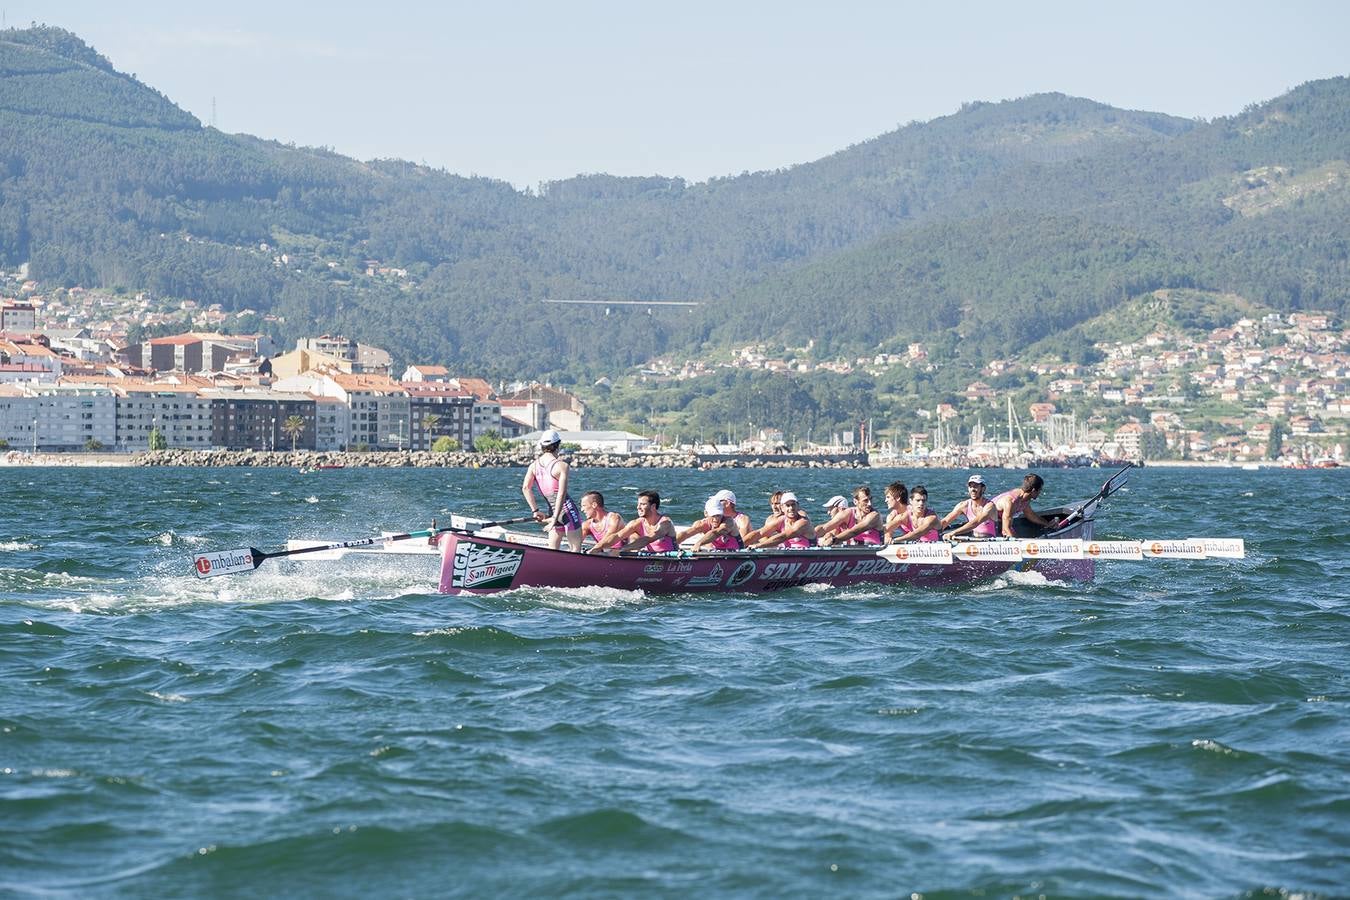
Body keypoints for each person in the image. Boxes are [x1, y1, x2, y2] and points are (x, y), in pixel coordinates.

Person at [521, 429, 582, 551]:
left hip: (552, 510)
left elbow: (526, 488)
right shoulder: (562, 466)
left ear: (542, 446)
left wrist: (535, 510)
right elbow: (561, 493)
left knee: (552, 552)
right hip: (566, 511)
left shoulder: (533, 466)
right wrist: (554, 518)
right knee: (576, 551)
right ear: (557, 445)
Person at [609, 490, 678, 553]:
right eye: (638, 504)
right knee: (633, 537)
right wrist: (598, 547)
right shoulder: (637, 523)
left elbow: (647, 539)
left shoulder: (665, 523)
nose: (638, 507)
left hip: (671, 563)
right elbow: (617, 536)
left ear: (653, 506)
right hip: (650, 561)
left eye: (642, 504)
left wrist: (621, 549)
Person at [818, 486, 884, 547]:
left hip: (874, 553)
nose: (870, 504)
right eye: (865, 501)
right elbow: (824, 528)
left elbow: (854, 531)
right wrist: (811, 536)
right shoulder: (848, 513)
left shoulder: (875, 515)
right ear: (855, 501)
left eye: (870, 499)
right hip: (854, 552)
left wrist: (834, 540)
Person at [991, 473, 1052, 538]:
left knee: (1015, 536)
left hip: (1000, 523)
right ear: (1033, 490)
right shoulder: (1011, 501)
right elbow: (1006, 528)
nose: (1040, 492)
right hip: (987, 522)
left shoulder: (1025, 500)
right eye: (1040, 490)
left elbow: (1031, 515)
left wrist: (1048, 524)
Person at [941, 473, 999, 539]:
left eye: (976, 486)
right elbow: (945, 521)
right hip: (973, 539)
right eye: (970, 487)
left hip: (990, 544)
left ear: (983, 489)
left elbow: (976, 522)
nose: (972, 489)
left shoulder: (990, 506)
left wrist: (953, 533)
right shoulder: (963, 505)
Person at [749, 491, 814, 549]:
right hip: (788, 555)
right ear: (782, 507)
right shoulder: (779, 520)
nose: (791, 508)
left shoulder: (803, 521)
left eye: (793, 505)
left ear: (798, 506)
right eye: (788, 505)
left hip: (808, 555)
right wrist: (741, 545)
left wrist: (759, 545)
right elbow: (759, 533)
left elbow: (784, 536)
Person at [580, 490, 626, 555]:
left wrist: (591, 552)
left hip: (622, 554)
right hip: (604, 554)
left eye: (584, 506)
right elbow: (577, 543)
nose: (582, 510)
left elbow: (607, 540)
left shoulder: (614, 518)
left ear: (594, 505)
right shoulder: (587, 525)